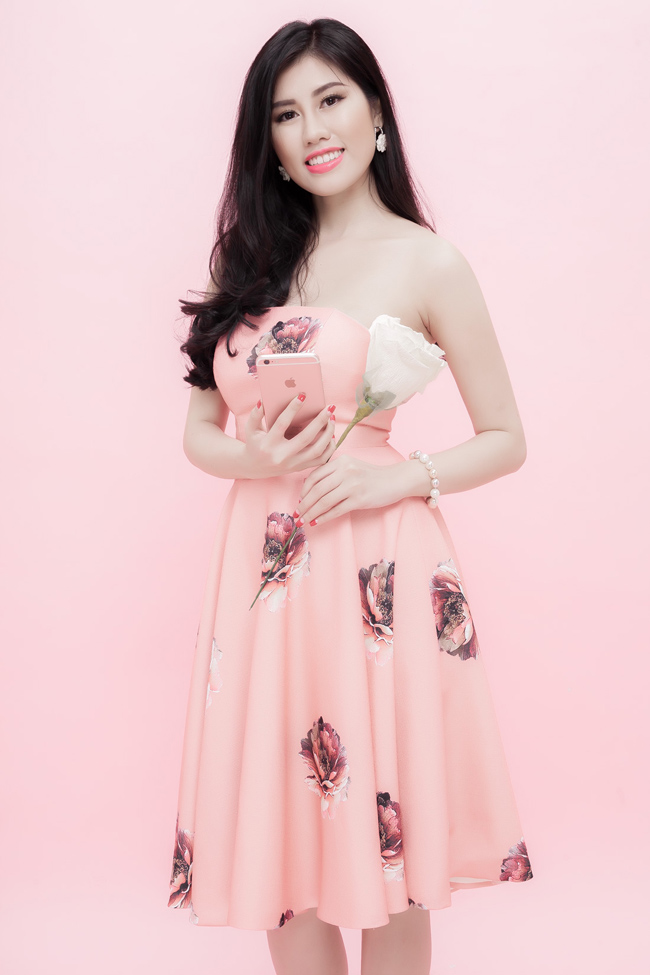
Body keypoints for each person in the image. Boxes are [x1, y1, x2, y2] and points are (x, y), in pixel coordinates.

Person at [167, 17, 534, 975]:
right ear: (269, 142)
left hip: (380, 572)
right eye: (285, 114)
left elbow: (506, 437)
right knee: (279, 850)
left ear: (376, 114)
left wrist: (398, 474)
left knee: (390, 835)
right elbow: (201, 432)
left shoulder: (428, 261)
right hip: (262, 579)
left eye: (331, 99)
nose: (312, 129)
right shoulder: (245, 263)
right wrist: (253, 459)